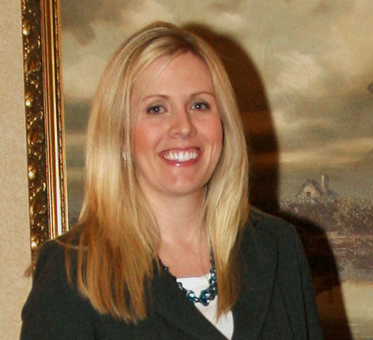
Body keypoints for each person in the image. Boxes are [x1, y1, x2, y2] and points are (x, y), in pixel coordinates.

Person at [21, 22, 323, 340]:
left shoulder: (277, 247)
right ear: (120, 135)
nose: (183, 126)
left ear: (224, 123)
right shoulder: (72, 272)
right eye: (156, 108)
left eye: (199, 105)